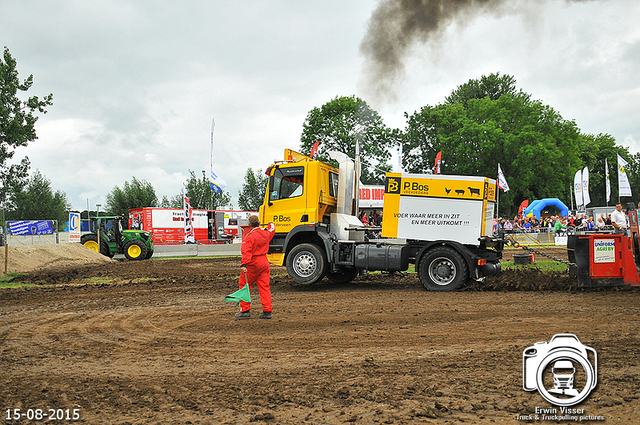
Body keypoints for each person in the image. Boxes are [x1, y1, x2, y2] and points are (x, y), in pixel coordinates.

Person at [235, 216, 276, 320]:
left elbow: (246, 251)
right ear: (259, 223)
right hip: (264, 261)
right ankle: (267, 311)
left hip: (253, 263)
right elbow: (272, 228)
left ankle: (245, 310)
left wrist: (244, 264)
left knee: (245, 286)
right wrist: (269, 222)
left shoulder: (249, 237)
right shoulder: (265, 234)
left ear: (249, 225)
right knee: (264, 287)